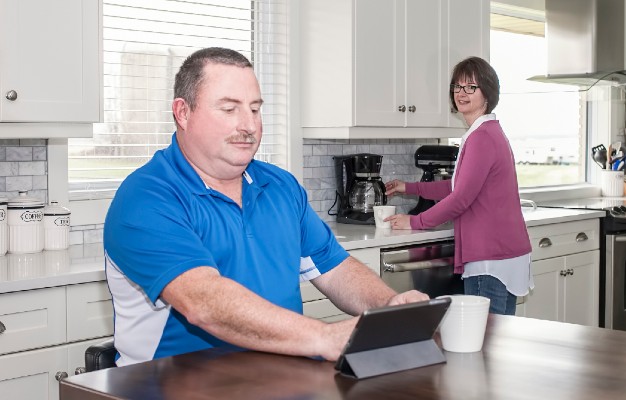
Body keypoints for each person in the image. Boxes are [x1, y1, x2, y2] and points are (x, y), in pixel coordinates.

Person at [103, 47, 427, 367]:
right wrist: (324, 337)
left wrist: (389, 305)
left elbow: (335, 269)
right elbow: (204, 302)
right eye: (229, 109)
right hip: (168, 389)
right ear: (183, 112)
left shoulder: (280, 186)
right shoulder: (146, 198)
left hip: (278, 382)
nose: (248, 125)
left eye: (255, 109)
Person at [384, 56, 532, 315]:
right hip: (504, 254)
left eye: (471, 87)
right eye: (458, 87)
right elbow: (459, 186)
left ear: (487, 93)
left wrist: (414, 222)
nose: (462, 93)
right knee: (499, 339)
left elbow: (461, 198)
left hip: (490, 259)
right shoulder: (488, 132)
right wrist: (409, 188)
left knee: (484, 339)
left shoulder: (481, 137)